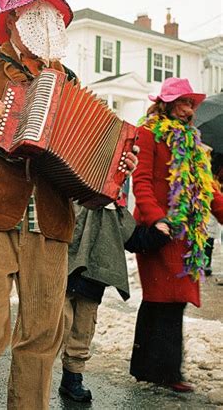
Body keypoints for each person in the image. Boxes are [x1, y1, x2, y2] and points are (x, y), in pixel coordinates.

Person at [0, 0, 137, 409]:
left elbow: (98, 147)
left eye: (53, 14)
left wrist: (119, 162)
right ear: (13, 18)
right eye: (35, 11)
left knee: (42, 334)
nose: (46, 21)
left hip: (52, 221)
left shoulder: (70, 82)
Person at [130, 77, 223, 392]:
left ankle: (152, 368)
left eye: (190, 104)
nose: (187, 110)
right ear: (166, 103)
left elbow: (207, 188)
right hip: (157, 231)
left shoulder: (193, 143)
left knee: (173, 299)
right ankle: (165, 372)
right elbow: (141, 181)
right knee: (161, 297)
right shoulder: (148, 133)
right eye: (182, 103)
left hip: (185, 234)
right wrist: (158, 219)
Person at [58, 200, 135, 402]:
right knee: (56, 324)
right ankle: (37, 377)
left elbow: (126, 231)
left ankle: (72, 377)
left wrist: (118, 206)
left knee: (83, 326)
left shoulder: (116, 192)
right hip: (65, 259)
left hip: (95, 268)